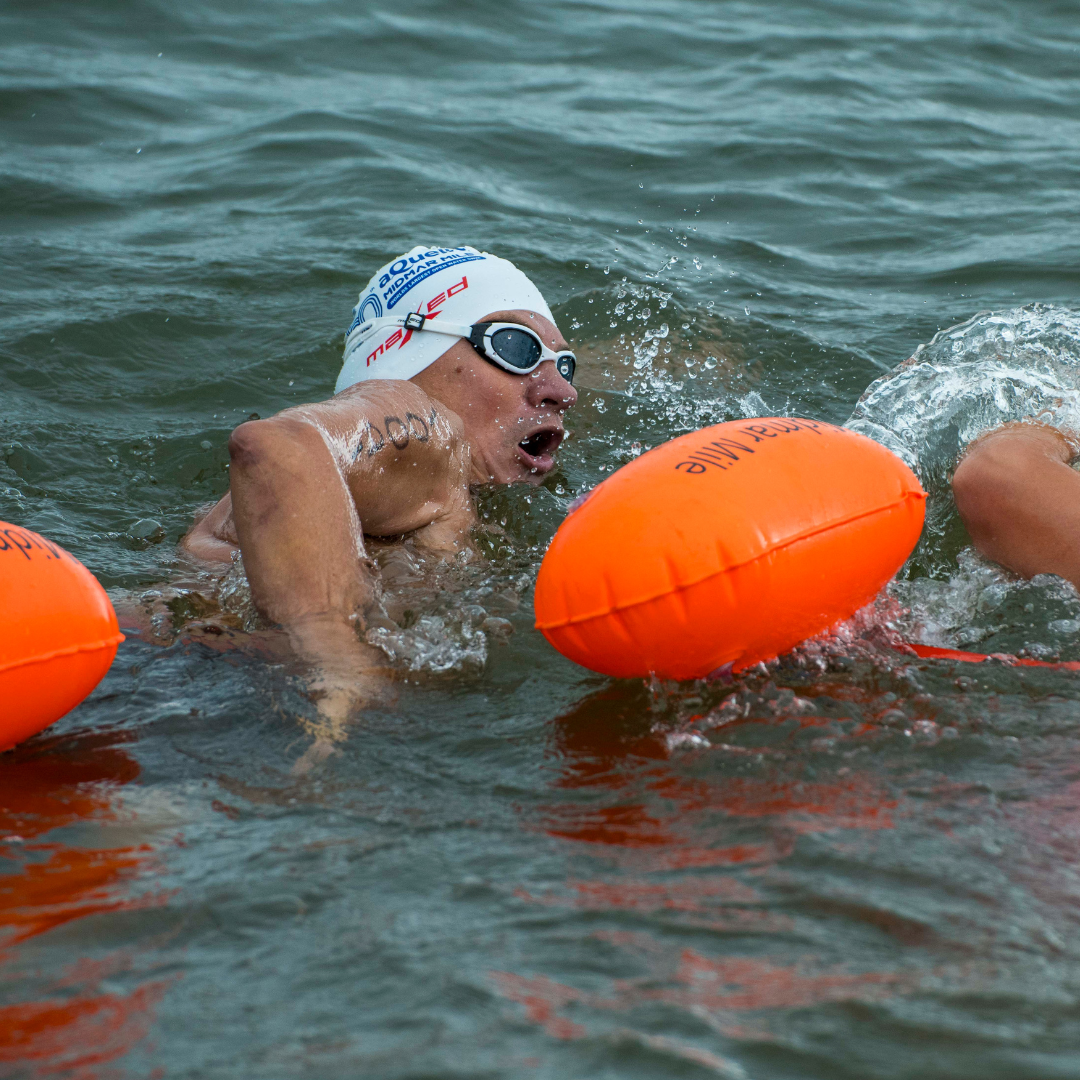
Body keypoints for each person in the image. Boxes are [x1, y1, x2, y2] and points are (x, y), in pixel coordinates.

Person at [182, 246, 578, 724]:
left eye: (564, 364)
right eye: (518, 348)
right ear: (409, 350)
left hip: (197, 685)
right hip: (179, 685)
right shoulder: (428, 427)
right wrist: (337, 661)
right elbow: (273, 445)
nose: (561, 390)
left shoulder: (418, 482)